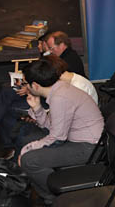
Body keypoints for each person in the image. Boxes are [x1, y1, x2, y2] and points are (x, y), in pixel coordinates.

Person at [19, 58, 104, 205]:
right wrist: (37, 108)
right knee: (28, 145)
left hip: (90, 147)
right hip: (83, 141)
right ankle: (52, 194)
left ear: (35, 85)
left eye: (26, 83)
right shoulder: (59, 89)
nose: (25, 87)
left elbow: (57, 138)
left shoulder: (60, 97)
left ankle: (57, 198)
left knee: (29, 160)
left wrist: (28, 149)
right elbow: (53, 127)